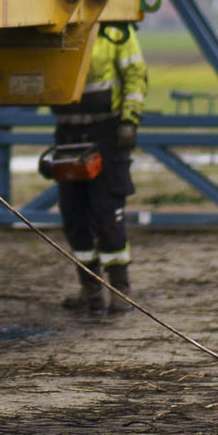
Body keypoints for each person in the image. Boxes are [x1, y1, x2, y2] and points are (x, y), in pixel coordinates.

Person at [51, 22, 147, 316]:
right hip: (68, 135)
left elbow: (135, 77)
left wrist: (130, 121)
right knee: (74, 216)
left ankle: (121, 289)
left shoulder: (117, 32)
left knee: (107, 213)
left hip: (107, 134)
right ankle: (90, 288)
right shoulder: (57, 29)